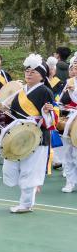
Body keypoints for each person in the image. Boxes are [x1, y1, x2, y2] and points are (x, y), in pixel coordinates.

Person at [1, 54, 57, 213]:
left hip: (36, 136)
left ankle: (26, 204)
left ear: (42, 75)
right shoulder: (20, 90)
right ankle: (28, 194)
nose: (29, 73)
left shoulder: (45, 91)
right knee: (11, 164)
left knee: (29, 170)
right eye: (27, 71)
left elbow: (52, 117)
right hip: (18, 134)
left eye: (33, 71)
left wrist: (47, 112)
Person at [57, 57, 77, 193]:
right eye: (72, 68)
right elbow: (60, 101)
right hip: (69, 120)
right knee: (68, 153)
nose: (74, 70)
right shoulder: (68, 82)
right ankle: (70, 182)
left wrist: (73, 92)